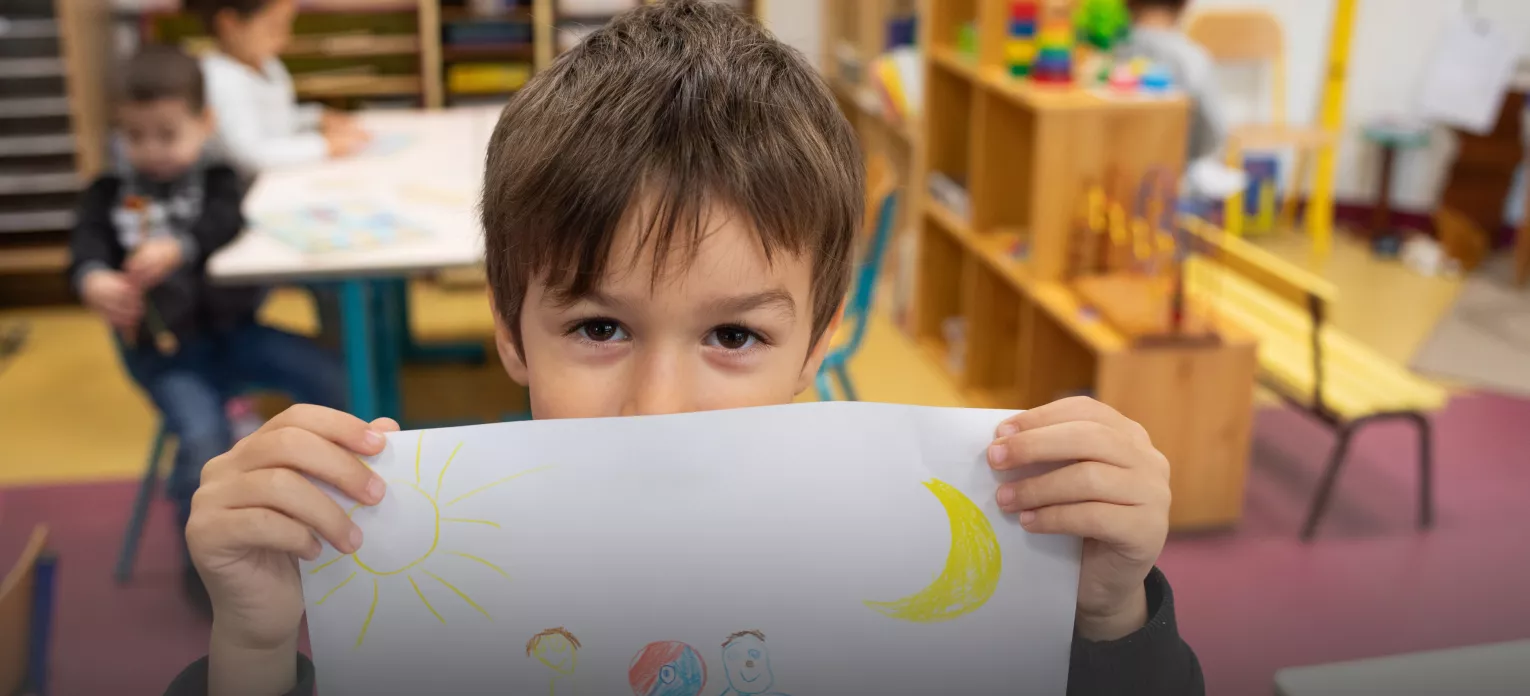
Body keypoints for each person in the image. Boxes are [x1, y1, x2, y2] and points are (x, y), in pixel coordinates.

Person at [162, 2, 1203, 694]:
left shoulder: (902, 552)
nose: (660, 405)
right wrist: (253, 647)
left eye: (735, 334)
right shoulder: (426, 567)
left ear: (821, 340)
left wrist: (1111, 615)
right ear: (509, 329)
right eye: (599, 328)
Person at [66, 45, 347, 615]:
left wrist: (180, 246)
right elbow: (86, 246)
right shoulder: (107, 192)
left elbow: (227, 220)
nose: (149, 151)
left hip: (236, 335)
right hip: (167, 357)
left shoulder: (219, 179)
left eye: (167, 134)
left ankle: (335, 506)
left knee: (332, 377)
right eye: (134, 135)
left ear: (205, 124)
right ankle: (211, 568)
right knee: (202, 444)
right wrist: (92, 280)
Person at [192, 0, 371, 178]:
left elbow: (276, 121)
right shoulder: (219, 78)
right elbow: (250, 156)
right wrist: (324, 145)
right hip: (242, 192)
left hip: (277, 179)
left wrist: (316, 118)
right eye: (274, 26)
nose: (286, 36)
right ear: (229, 23)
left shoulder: (269, 65)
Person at [1117, 0, 1231, 183]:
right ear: (1185, 5)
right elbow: (1215, 133)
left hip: (1112, 184)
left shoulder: (1111, 55)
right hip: (1178, 182)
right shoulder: (1193, 59)